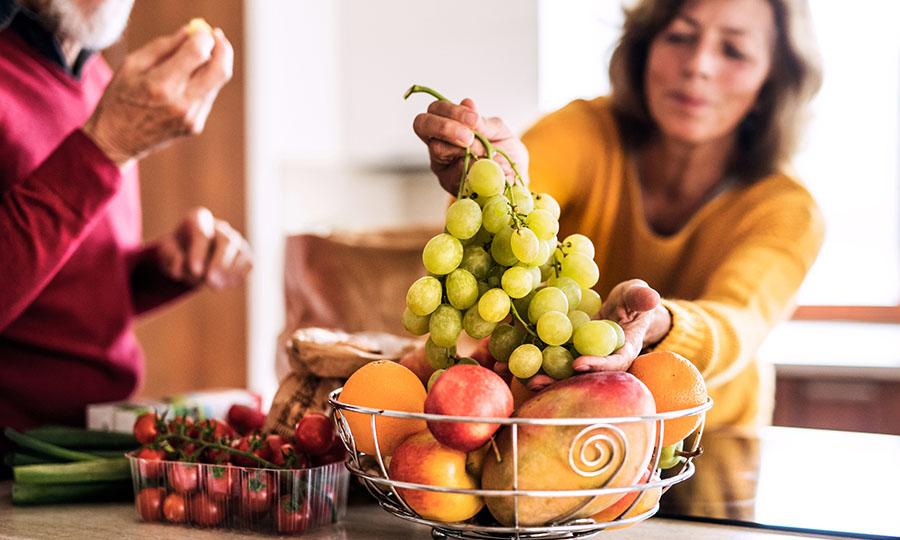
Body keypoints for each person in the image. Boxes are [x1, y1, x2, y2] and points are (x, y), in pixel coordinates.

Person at [412, 0, 824, 428]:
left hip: (706, 436)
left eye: (734, 51)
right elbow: (516, 210)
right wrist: (495, 180)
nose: (698, 64)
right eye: (680, 36)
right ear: (645, 48)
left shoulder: (788, 208)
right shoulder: (584, 130)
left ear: (770, 84)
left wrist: (659, 324)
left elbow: (739, 321)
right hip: (560, 420)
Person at [0, 0, 251, 434]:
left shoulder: (100, 80)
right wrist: (106, 146)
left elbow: (53, 293)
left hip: (94, 442)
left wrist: (164, 268)